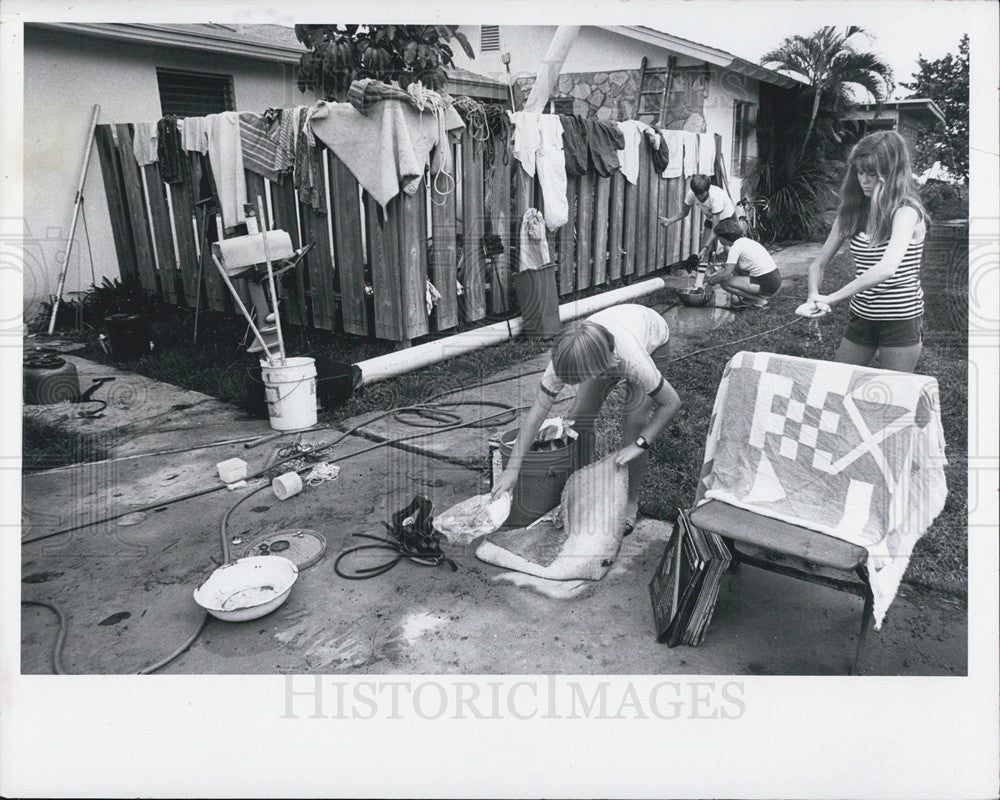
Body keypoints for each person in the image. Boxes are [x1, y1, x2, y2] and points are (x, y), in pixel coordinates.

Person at [491, 304, 682, 533]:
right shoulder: (566, 359)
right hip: (606, 343)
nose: (572, 384)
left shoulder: (634, 361)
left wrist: (639, 444)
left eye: (578, 379)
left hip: (652, 338)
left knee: (634, 422)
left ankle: (631, 502)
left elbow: (671, 403)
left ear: (599, 369)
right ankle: (579, 490)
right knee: (578, 419)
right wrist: (512, 469)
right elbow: (536, 414)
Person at [806, 131, 929, 373]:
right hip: (862, 315)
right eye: (860, 172)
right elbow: (817, 264)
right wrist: (813, 295)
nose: (864, 180)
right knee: (839, 383)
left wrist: (832, 298)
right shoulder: (851, 213)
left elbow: (886, 268)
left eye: (872, 174)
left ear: (892, 173)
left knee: (893, 397)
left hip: (901, 318)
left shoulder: (907, 211)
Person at [705, 218, 782, 308]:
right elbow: (732, 268)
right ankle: (751, 299)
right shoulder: (744, 241)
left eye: (718, 238)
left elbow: (725, 275)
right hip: (774, 279)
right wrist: (717, 273)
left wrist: (710, 284)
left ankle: (758, 300)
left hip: (767, 283)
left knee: (725, 283)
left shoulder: (735, 248)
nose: (718, 240)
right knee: (734, 270)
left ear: (724, 238)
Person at [659, 174, 737, 262]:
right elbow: (685, 212)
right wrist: (669, 221)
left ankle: (735, 271)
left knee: (729, 248)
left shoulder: (715, 197)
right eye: (696, 194)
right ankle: (702, 275)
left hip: (727, 218)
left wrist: (706, 246)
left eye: (701, 194)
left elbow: (715, 229)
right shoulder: (691, 194)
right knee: (704, 251)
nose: (699, 197)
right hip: (712, 218)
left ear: (707, 190)